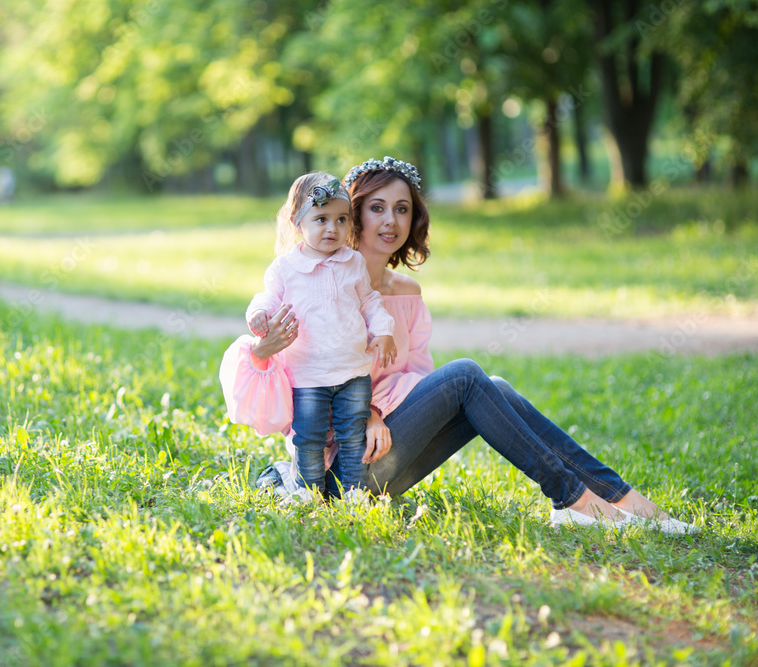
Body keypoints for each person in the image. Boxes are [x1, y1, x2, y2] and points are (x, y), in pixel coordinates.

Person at [221, 157, 697, 534]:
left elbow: (419, 381)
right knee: (469, 375)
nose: (391, 221)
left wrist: (379, 410)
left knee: (492, 385)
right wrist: (358, 406)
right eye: (377, 207)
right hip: (337, 475)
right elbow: (295, 389)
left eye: (402, 208)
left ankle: (619, 499)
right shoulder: (313, 285)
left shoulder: (405, 296)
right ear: (352, 215)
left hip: (390, 455)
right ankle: (574, 500)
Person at [233, 171, 397, 499]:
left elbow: (369, 302)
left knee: (352, 436)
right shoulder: (285, 268)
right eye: (321, 219)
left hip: (353, 372)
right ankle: (307, 491)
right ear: (298, 222)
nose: (332, 229)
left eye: (341, 220)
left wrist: (384, 331)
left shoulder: (353, 262)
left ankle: (353, 492)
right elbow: (267, 297)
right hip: (307, 375)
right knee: (309, 438)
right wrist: (259, 315)